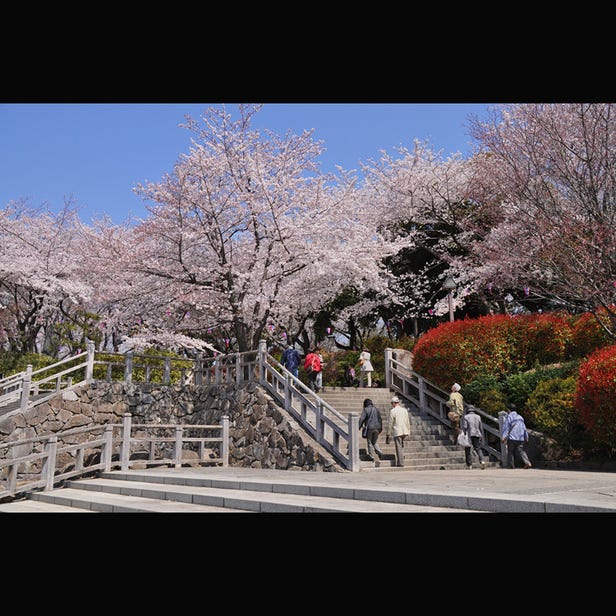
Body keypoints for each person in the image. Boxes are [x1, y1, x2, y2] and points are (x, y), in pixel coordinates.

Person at [501, 403, 532, 469]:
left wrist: (503, 437)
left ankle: (511, 465)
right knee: (521, 451)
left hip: (512, 437)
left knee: (510, 451)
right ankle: (527, 462)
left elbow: (506, 427)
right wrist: (526, 437)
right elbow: (524, 428)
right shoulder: (520, 417)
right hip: (520, 437)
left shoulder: (509, 417)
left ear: (509, 410)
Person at [386, 396, 411, 467]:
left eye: (392, 403)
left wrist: (388, 433)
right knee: (401, 445)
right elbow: (407, 421)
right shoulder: (404, 410)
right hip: (405, 430)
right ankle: (402, 459)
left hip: (397, 431)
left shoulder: (392, 411)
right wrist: (408, 430)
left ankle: (400, 462)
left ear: (393, 403)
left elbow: (390, 423)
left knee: (398, 447)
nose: (392, 404)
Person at [358, 397, 383, 462]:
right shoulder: (376, 409)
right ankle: (379, 451)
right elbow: (380, 419)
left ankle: (371, 456)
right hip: (377, 428)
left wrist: (359, 426)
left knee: (369, 442)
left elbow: (362, 419)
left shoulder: (365, 410)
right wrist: (380, 428)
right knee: (374, 441)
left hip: (370, 428)